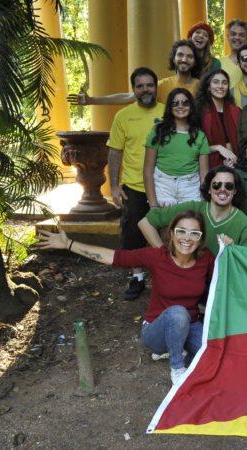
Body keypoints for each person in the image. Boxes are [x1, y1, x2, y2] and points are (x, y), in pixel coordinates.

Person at [37, 209, 215, 385]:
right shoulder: (157, 256)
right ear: (172, 233)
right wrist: (68, 244)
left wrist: (230, 248)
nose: (187, 238)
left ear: (201, 238)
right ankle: (177, 369)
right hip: (156, 332)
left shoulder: (206, 258)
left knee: (215, 356)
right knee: (178, 313)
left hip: (191, 326)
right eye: (181, 231)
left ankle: (183, 350)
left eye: (194, 234)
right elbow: (114, 257)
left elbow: (227, 281)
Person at [104, 67, 165, 300]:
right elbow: (115, 153)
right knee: (133, 234)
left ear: (156, 87)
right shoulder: (123, 116)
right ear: (134, 90)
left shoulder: (168, 112)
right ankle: (137, 278)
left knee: (165, 232)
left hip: (164, 185)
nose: (145, 89)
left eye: (149, 85)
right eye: (140, 86)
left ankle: (165, 276)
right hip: (134, 186)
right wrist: (114, 186)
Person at [139, 166, 247, 254]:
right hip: (190, 278)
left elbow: (246, 265)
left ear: (234, 191)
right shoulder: (193, 209)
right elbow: (145, 223)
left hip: (224, 282)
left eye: (229, 186)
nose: (222, 189)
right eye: (216, 185)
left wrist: (232, 252)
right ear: (209, 189)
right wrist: (164, 257)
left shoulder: (245, 225)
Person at [68, 40, 201, 106]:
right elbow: (127, 97)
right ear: (174, 59)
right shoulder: (162, 85)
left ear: (195, 61)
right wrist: (92, 100)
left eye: (189, 56)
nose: (184, 59)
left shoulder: (203, 87)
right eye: (180, 55)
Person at [143, 88, 210, 208]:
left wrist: (204, 200)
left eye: (185, 103)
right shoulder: (157, 131)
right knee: (164, 225)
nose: (180, 106)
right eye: (175, 103)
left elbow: (204, 172)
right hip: (163, 184)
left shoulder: (200, 135)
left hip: (190, 186)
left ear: (191, 107)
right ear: (170, 106)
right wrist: (153, 205)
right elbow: (148, 170)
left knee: (190, 224)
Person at [195, 68, 240, 169]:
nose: (220, 86)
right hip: (210, 167)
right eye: (216, 82)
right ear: (208, 87)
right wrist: (218, 148)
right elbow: (194, 146)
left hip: (237, 164)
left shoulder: (235, 111)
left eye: (224, 83)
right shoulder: (199, 112)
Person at [219, 19, 247, 87]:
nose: (237, 37)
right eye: (233, 34)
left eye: (241, 35)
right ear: (227, 37)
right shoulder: (218, 63)